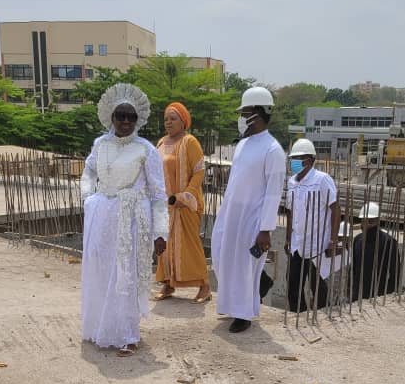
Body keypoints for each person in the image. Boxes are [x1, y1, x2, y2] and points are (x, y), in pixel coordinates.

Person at [80, 83, 168, 356]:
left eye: (131, 116)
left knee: (125, 275)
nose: (126, 121)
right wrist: (88, 199)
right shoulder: (100, 144)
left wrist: (160, 232)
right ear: (111, 117)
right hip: (101, 219)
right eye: (121, 116)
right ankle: (101, 329)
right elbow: (88, 173)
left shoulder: (146, 150)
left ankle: (128, 334)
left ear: (138, 119)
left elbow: (158, 194)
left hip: (131, 221)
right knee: (101, 272)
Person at [211, 86, 286, 333]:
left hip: (253, 217)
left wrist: (265, 229)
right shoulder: (243, 144)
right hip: (232, 213)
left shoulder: (273, 149)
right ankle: (233, 304)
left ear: (257, 112)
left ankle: (243, 313)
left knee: (244, 265)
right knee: (223, 257)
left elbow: (274, 193)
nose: (241, 117)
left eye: (244, 112)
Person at [154, 102, 210, 304]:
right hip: (165, 204)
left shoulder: (190, 142)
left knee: (190, 245)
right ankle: (168, 283)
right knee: (165, 245)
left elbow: (199, 171)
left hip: (186, 204)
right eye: (166, 119)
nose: (168, 122)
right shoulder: (161, 143)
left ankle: (204, 285)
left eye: (173, 118)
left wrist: (185, 196)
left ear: (183, 121)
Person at [284, 138, 340, 313]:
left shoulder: (322, 180)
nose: (293, 162)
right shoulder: (292, 182)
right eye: (292, 159)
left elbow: (336, 209)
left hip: (317, 244)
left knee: (318, 286)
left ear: (308, 160)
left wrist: (333, 240)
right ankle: (298, 315)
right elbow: (290, 212)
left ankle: (321, 316)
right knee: (293, 286)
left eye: (296, 158)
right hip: (297, 244)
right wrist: (287, 238)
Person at [350, 202, 401, 301]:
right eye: (363, 221)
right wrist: (351, 289)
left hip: (378, 294)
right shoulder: (357, 240)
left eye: (370, 221)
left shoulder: (388, 242)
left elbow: (395, 273)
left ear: (377, 221)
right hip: (358, 294)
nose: (365, 224)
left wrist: (388, 295)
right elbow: (354, 269)